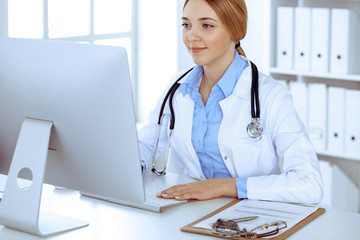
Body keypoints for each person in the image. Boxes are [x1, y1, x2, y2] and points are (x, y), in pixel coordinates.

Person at [138, 0, 323, 204]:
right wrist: (133, 166)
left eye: (207, 25)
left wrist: (223, 186)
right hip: (192, 214)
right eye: (186, 25)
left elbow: (309, 183)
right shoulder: (177, 87)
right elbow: (148, 145)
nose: (192, 36)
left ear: (235, 32)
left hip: (251, 218)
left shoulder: (271, 96)